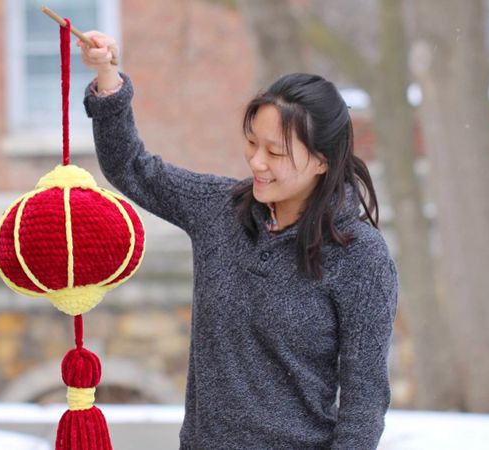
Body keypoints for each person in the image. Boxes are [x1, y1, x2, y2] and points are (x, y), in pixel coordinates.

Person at [78, 31, 398, 450]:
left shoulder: (360, 257)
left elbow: (364, 402)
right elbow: (130, 167)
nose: (257, 162)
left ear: (322, 160)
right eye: (251, 143)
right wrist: (108, 77)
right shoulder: (218, 210)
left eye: (276, 152)